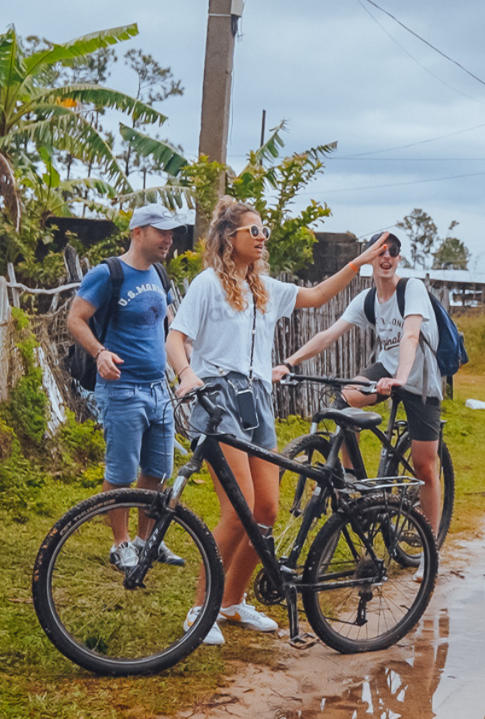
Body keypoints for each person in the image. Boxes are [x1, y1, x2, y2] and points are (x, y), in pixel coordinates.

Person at [167, 197, 388, 642]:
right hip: (220, 398)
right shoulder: (208, 284)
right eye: (254, 231)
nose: (262, 236)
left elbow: (318, 295)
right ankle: (199, 610)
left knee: (265, 510)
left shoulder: (265, 288)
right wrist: (187, 374)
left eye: (263, 229)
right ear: (229, 239)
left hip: (258, 399)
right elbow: (176, 339)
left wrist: (358, 264)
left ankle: (232, 602)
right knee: (240, 509)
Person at [277, 228, 444, 534]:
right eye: (380, 251)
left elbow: (410, 334)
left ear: (399, 258)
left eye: (393, 251)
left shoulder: (412, 289)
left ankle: (430, 547)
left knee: (425, 468)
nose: (387, 257)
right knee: (344, 399)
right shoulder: (367, 299)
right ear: (369, 258)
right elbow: (328, 335)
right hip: (388, 370)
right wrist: (290, 362)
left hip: (420, 380)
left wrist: (400, 379)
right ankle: (356, 483)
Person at [67, 203, 189, 573]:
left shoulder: (160, 275)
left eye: (171, 233)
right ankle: (120, 544)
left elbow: (169, 326)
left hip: (158, 390)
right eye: (161, 232)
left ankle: (146, 539)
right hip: (122, 389)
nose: (169, 239)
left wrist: (185, 370)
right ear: (138, 232)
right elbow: (75, 319)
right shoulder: (108, 274)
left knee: (157, 469)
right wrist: (100, 353)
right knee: (121, 473)